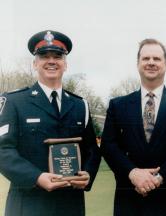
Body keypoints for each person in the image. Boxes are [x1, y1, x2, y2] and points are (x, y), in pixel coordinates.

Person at [0, 30, 101, 216]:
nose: (52, 61)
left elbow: (92, 150)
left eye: (57, 56)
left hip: (70, 205)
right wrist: (36, 177)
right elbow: (3, 150)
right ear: (35, 64)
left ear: (65, 64)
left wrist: (88, 174)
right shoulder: (14, 102)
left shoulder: (80, 105)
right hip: (29, 204)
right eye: (44, 56)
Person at [101, 38, 166, 216]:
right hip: (131, 204)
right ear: (138, 63)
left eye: (156, 59)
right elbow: (108, 146)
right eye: (145, 58)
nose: (151, 62)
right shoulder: (118, 105)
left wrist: (158, 177)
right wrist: (132, 173)